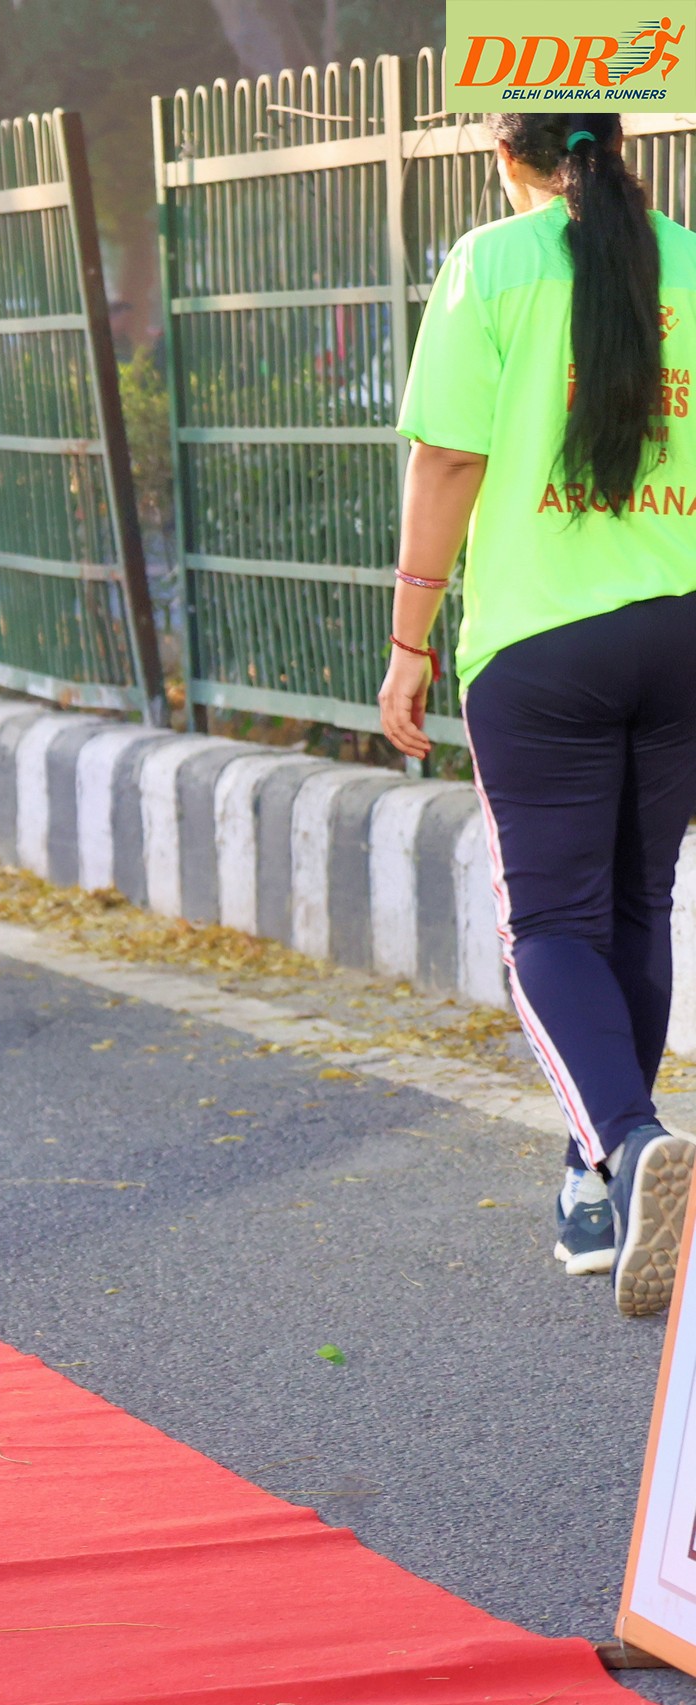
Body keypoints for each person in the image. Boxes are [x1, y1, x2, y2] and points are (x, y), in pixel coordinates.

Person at [382, 110, 696, 1316]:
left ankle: (629, 1139)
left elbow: (448, 461)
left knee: (549, 926)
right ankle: (596, 1183)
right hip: (680, 634)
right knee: (637, 903)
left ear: (504, 155)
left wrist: (409, 641)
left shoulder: (492, 264)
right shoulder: (688, 258)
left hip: (542, 643)